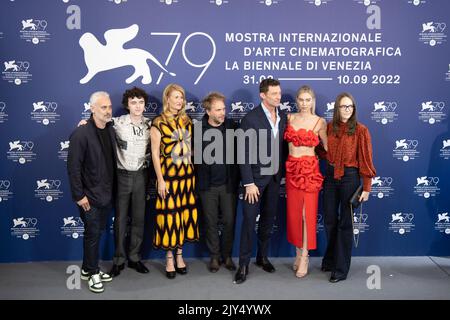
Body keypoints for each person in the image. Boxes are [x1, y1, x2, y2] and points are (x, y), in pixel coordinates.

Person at [234, 78, 287, 284]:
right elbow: (243, 153)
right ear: (263, 95)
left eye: (279, 93)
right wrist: (248, 182)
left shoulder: (282, 117)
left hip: (274, 179)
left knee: (267, 220)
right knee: (249, 222)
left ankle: (262, 257)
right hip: (254, 181)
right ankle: (243, 264)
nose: (278, 97)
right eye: (274, 94)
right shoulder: (250, 119)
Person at [322, 92, 376, 283]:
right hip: (330, 177)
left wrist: (367, 187)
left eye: (350, 106)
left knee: (345, 224)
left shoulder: (361, 130)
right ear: (337, 108)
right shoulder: (329, 128)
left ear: (353, 109)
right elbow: (322, 149)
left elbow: (366, 160)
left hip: (350, 178)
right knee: (329, 220)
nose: (346, 110)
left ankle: (340, 269)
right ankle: (330, 258)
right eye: (343, 106)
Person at [67, 91, 116, 293]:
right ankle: (93, 271)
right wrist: (79, 196)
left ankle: (87, 269)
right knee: (93, 234)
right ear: (92, 108)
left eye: (109, 107)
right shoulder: (81, 133)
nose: (107, 111)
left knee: (94, 233)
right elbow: (73, 167)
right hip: (89, 196)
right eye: (103, 107)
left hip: (106, 194)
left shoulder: (111, 128)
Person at [150, 83, 199, 279]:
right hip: (168, 178)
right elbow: (154, 154)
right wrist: (160, 180)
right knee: (169, 217)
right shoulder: (158, 123)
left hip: (187, 177)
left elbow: (189, 149)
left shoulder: (187, 121)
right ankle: (169, 258)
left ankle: (180, 255)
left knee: (183, 216)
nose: (179, 101)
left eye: (181, 97)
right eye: (176, 97)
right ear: (167, 99)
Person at [284, 85, 327, 278]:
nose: (304, 103)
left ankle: (305, 257)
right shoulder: (289, 118)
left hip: (310, 171)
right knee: (294, 214)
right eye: (301, 99)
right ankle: (298, 253)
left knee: (306, 214)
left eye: (307, 100)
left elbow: (327, 147)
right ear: (297, 101)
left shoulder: (320, 121)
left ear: (313, 101)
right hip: (292, 170)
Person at [109, 87, 151, 277]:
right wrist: (86, 122)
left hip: (142, 176)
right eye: (134, 102)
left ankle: (134, 258)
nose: (138, 106)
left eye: (141, 102)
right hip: (122, 175)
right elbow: (98, 124)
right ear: (127, 105)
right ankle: (118, 259)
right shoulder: (117, 123)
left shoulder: (151, 125)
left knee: (139, 219)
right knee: (120, 220)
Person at [195, 92, 239, 273]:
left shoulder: (232, 126)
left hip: (228, 185)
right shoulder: (198, 128)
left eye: (224, 108)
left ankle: (227, 255)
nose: (223, 112)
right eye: (218, 109)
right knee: (210, 222)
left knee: (229, 221)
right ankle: (214, 256)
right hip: (207, 186)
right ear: (208, 111)